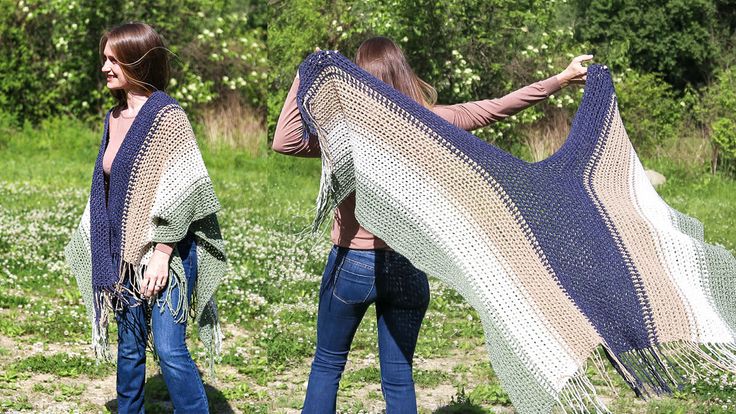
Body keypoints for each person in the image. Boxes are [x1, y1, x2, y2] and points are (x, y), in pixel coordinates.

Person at [273, 36, 590, 413]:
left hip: (351, 267)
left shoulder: (342, 135)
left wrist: (305, 72)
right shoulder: (431, 122)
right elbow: (494, 108)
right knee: (398, 374)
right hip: (407, 266)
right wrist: (560, 79)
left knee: (328, 363)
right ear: (402, 71)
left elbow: (285, 140)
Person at [65, 22, 226, 413]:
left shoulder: (168, 118)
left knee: (170, 351)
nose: (105, 67)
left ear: (139, 61)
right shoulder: (113, 117)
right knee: (131, 350)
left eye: (114, 60)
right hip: (124, 258)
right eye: (104, 58)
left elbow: (185, 193)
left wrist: (162, 252)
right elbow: (108, 190)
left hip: (165, 259)